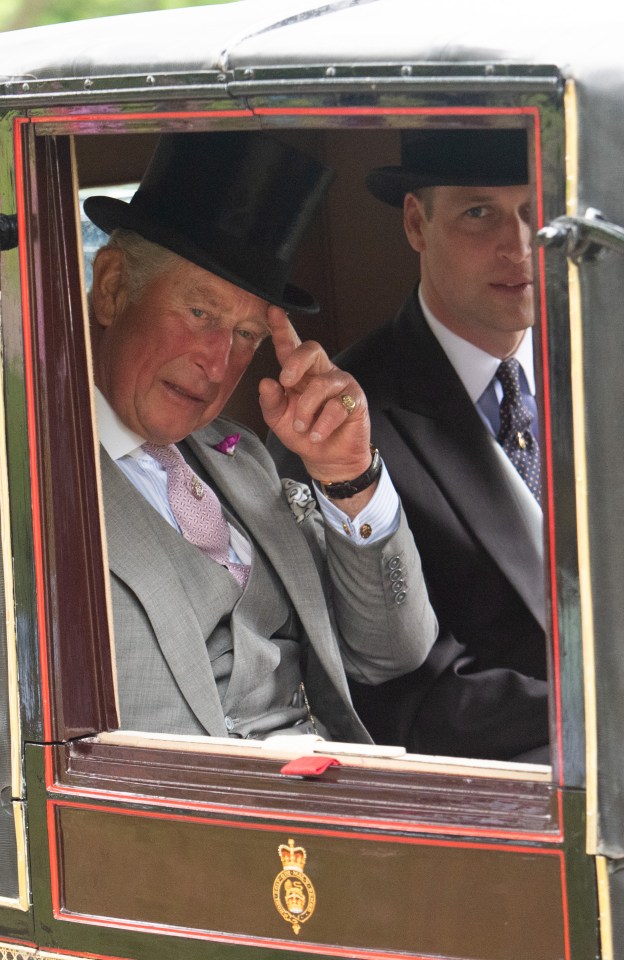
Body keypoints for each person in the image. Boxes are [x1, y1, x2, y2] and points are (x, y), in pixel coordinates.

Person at [83, 130, 436, 742]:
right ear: (113, 287)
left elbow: (393, 652)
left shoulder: (241, 461)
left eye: (247, 334)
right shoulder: (30, 469)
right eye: (201, 314)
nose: (219, 362)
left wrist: (347, 478)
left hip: (332, 796)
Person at [270, 128, 548, 762]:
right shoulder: (334, 425)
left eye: (538, 210)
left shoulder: (599, 364)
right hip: (504, 789)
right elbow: (393, 690)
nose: (520, 244)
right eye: (480, 213)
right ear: (417, 223)